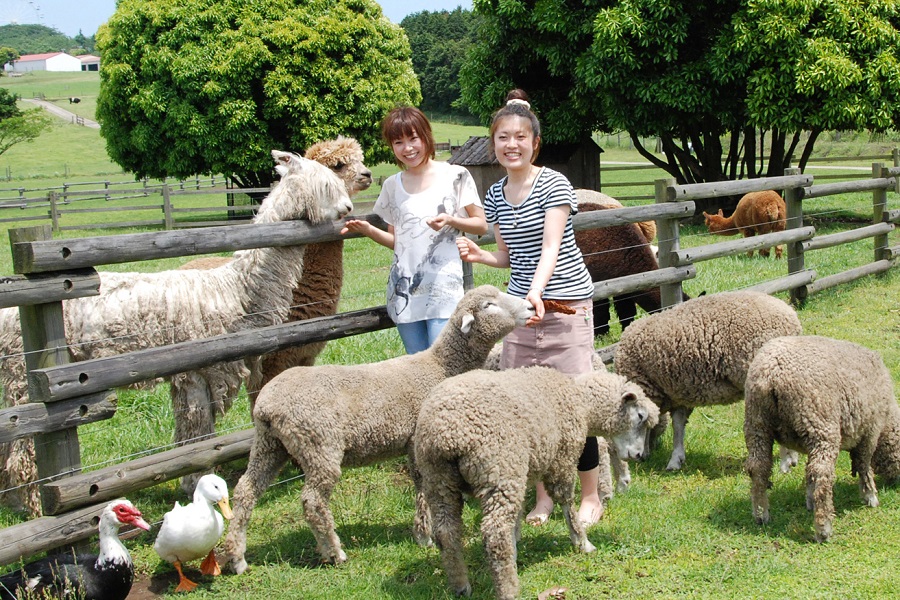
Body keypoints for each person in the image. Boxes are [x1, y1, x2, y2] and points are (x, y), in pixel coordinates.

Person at [456, 89, 604, 527]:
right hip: (521, 313)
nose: (511, 144)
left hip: (564, 307)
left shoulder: (554, 183)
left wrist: (536, 292)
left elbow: (551, 248)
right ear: (493, 143)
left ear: (534, 142)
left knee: (575, 403)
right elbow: (508, 255)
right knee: (527, 405)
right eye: (503, 137)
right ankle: (542, 499)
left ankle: (591, 495)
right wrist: (481, 257)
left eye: (520, 136)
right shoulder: (497, 193)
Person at [341, 106, 487, 353]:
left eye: (413, 139)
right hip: (404, 292)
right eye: (398, 142)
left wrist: (451, 220)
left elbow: (481, 224)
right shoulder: (392, 186)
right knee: (416, 369)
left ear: (426, 136)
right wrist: (368, 230)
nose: (407, 148)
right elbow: (398, 242)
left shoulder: (456, 175)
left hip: (444, 290)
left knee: (444, 365)